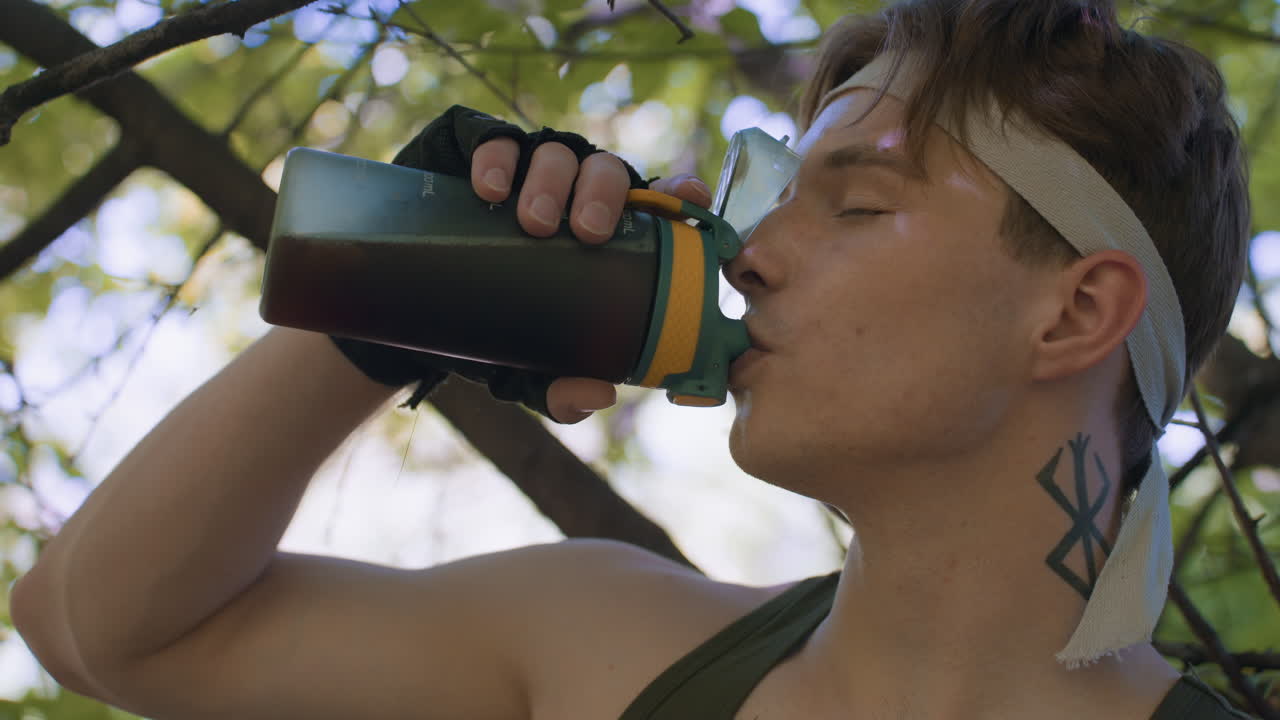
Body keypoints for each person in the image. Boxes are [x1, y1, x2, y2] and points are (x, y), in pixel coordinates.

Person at [8, 0, 1256, 717]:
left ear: (1073, 315)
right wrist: (392, 301)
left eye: (859, 205)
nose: (750, 250)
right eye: (771, 193)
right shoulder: (602, 643)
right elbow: (99, 629)